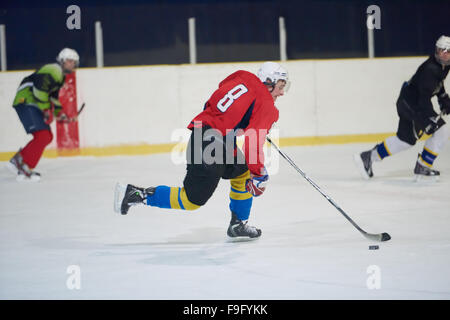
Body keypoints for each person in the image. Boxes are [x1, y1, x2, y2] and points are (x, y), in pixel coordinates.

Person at [114, 62, 289, 239]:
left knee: (241, 172)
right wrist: (259, 174)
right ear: (268, 82)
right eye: (280, 87)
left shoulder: (241, 76)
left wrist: (245, 118)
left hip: (208, 133)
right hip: (213, 141)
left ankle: (238, 224)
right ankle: (136, 194)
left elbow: (220, 94)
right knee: (192, 200)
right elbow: (252, 144)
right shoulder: (267, 105)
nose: (282, 92)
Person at [354, 35, 450, 180]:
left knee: (405, 141)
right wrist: (428, 119)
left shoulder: (443, 66)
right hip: (411, 105)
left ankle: (368, 157)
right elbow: (423, 98)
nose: (442, 53)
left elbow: (436, 84)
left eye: (446, 51)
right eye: (440, 50)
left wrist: (443, 98)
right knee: (442, 130)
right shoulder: (430, 69)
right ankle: (423, 165)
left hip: (409, 102)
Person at [7, 48, 79, 181]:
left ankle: (24, 167)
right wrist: (46, 110)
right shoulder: (54, 69)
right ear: (62, 61)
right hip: (27, 101)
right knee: (43, 135)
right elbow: (40, 88)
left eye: (74, 62)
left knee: (46, 136)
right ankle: (19, 161)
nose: (72, 64)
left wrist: (60, 114)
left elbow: (53, 97)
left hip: (31, 102)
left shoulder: (59, 76)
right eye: (69, 61)